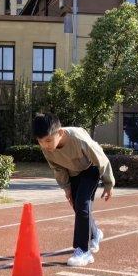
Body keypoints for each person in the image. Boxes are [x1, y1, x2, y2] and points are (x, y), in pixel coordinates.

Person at [33, 113, 114, 267]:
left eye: (49, 140)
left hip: (91, 169)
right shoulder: (46, 147)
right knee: (78, 207)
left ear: (60, 133)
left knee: (83, 204)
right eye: (40, 142)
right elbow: (57, 169)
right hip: (73, 174)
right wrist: (67, 189)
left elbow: (101, 159)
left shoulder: (78, 139)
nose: (45, 145)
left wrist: (109, 183)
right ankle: (95, 233)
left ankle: (83, 251)